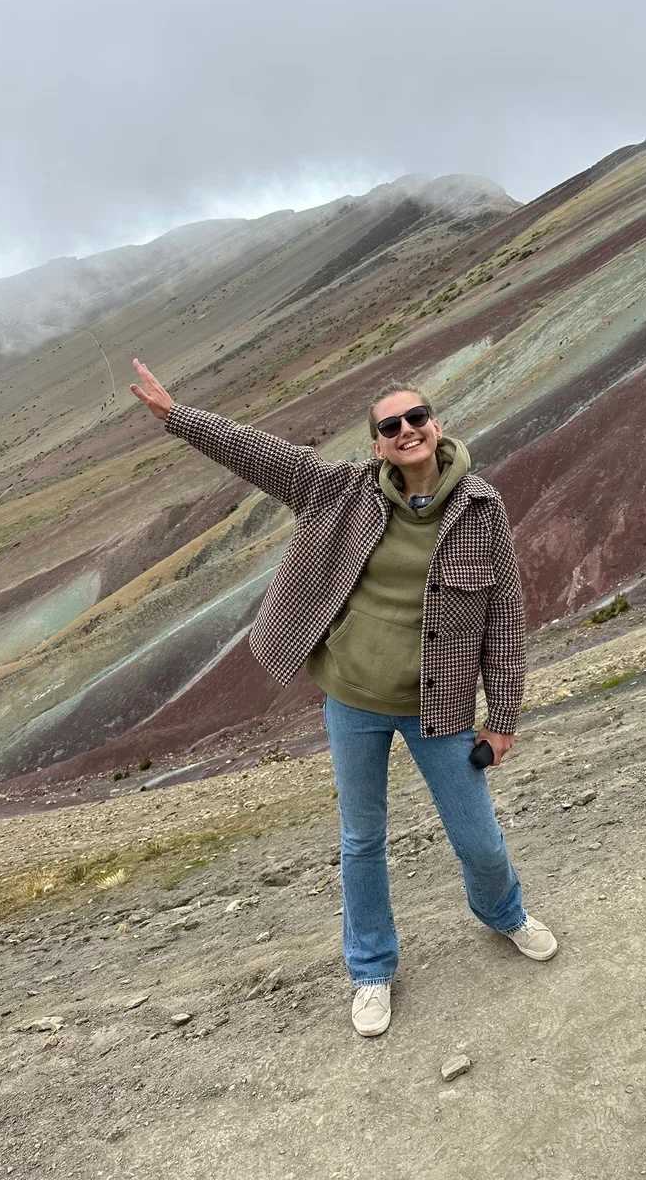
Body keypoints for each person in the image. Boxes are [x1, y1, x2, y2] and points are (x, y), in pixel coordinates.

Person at [129, 357, 557, 1037]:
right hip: (353, 702)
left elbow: (505, 613)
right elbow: (259, 453)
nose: (407, 430)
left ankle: (505, 915)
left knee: (477, 835)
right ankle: (371, 970)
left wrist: (502, 717)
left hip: (438, 708)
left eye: (416, 417)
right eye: (391, 426)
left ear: (437, 426)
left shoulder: (481, 507)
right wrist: (178, 417)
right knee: (361, 840)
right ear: (377, 444)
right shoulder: (341, 492)